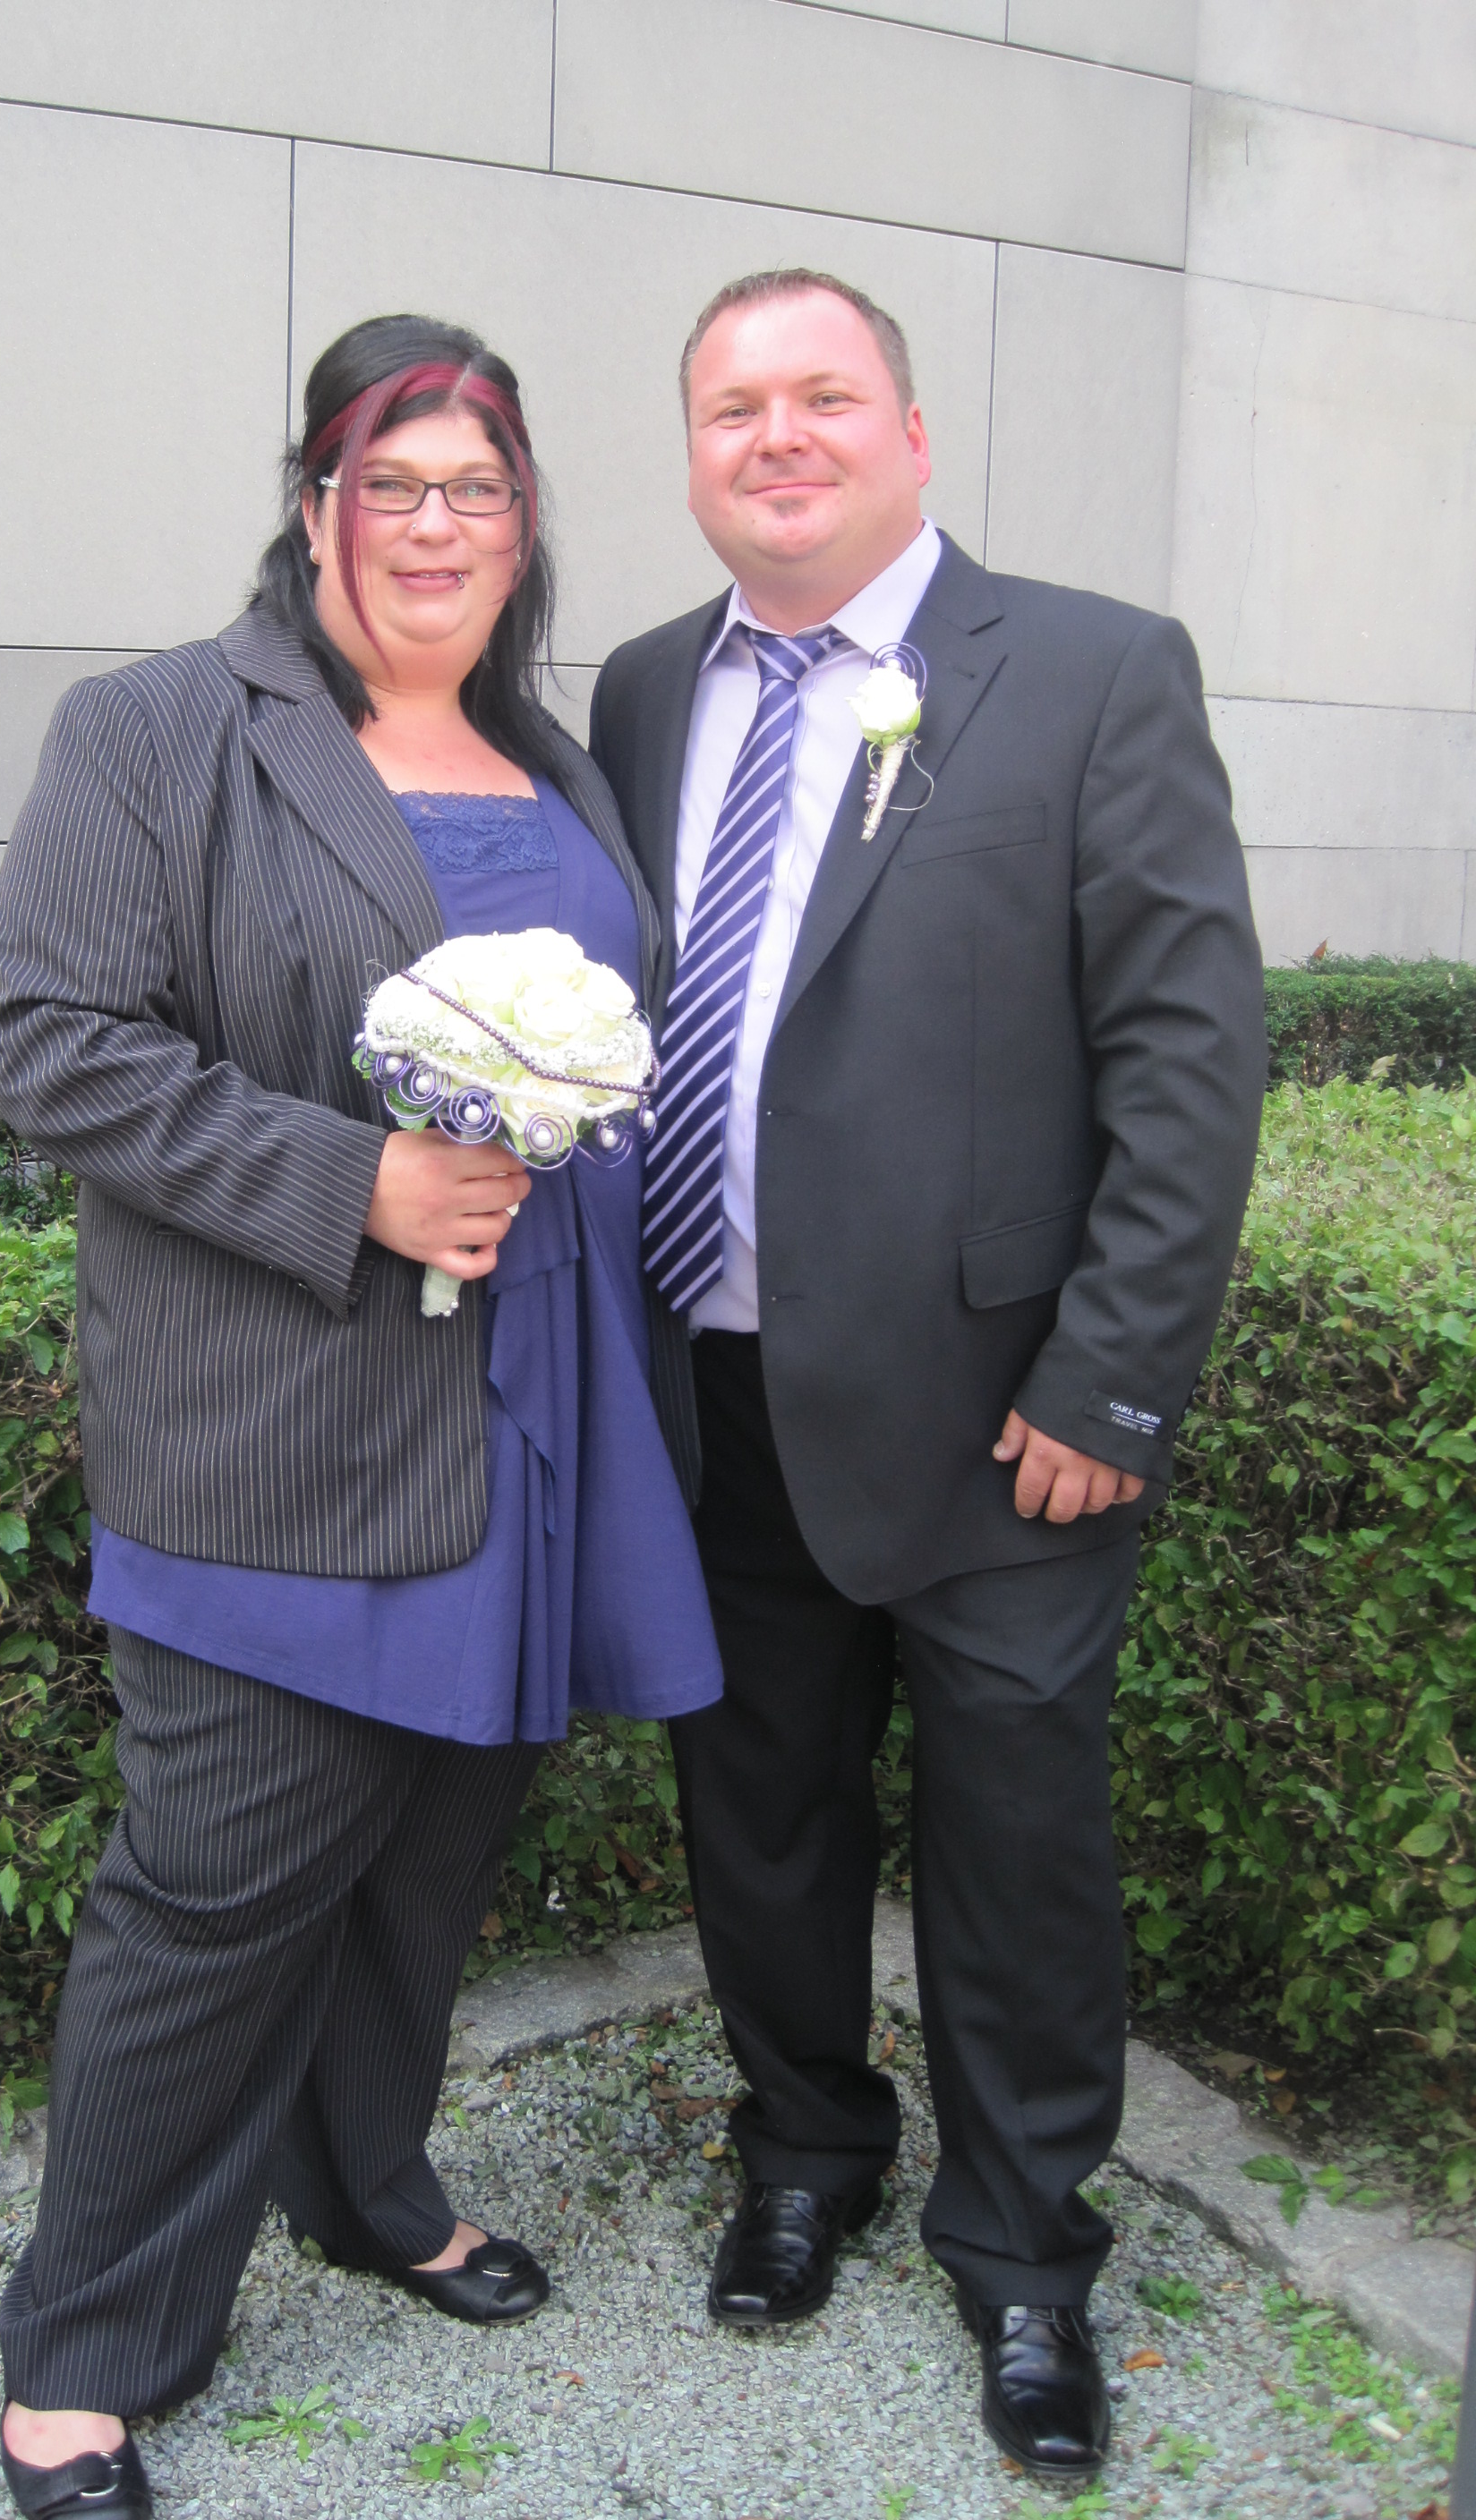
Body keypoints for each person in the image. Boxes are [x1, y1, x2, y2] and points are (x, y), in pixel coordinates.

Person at [0, 313, 722, 2520]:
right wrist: (355, 1181)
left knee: (426, 1859)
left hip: (539, 1400)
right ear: (311, 505)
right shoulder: (155, 731)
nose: (431, 523)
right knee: (217, 1889)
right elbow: (56, 1040)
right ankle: (85, 2353)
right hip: (282, 1419)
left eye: (474, 485)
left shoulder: (554, 755)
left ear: (524, 521)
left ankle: (367, 2183)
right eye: (387, 480)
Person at [589, 269, 1266, 2482]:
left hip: (1006, 1424)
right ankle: (805, 2149)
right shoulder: (646, 687)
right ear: (694, 454)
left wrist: (1112, 1382)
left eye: (822, 396)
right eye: (732, 407)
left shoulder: (1089, 669)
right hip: (718, 1393)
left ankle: (1027, 2251)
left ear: (911, 434)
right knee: (760, 1821)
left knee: (1018, 1846)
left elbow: (1187, 1055)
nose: (776, 436)